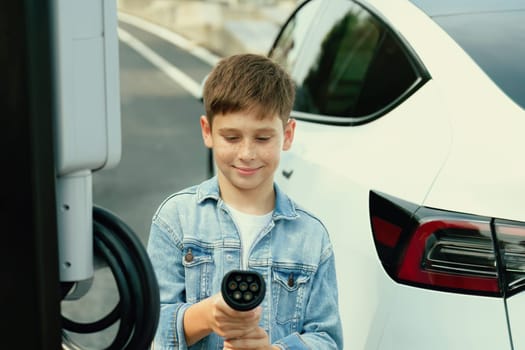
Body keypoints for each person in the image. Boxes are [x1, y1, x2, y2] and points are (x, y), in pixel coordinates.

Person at [147, 53, 343, 349]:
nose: (247, 153)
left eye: (263, 138)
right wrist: (207, 316)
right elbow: (150, 326)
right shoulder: (176, 219)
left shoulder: (311, 237)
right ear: (207, 131)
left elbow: (328, 339)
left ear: (287, 135)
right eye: (232, 137)